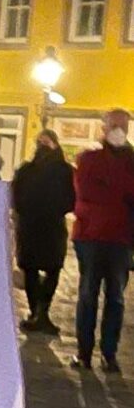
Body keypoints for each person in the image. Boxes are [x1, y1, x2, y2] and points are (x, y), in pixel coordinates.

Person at [71, 108, 134, 373]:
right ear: (104, 128)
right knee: (88, 294)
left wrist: (111, 189)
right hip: (91, 237)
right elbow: (85, 192)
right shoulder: (89, 159)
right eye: (114, 125)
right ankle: (84, 352)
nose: (119, 130)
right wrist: (122, 194)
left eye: (124, 125)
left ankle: (109, 353)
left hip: (121, 238)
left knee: (116, 298)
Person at [12, 130, 76, 334]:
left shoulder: (59, 171)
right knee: (41, 269)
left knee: (44, 269)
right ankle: (39, 312)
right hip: (46, 226)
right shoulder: (32, 170)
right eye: (40, 142)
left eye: (45, 142)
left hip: (38, 226)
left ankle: (38, 312)